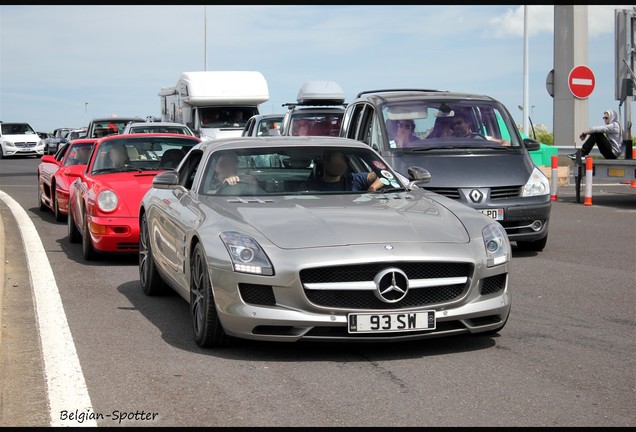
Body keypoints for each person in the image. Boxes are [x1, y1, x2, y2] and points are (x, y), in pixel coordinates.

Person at [302, 151, 385, 192]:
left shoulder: (353, 180)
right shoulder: (310, 186)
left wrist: (372, 189)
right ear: (325, 162)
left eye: (342, 160)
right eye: (336, 160)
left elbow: (383, 176)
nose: (340, 163)